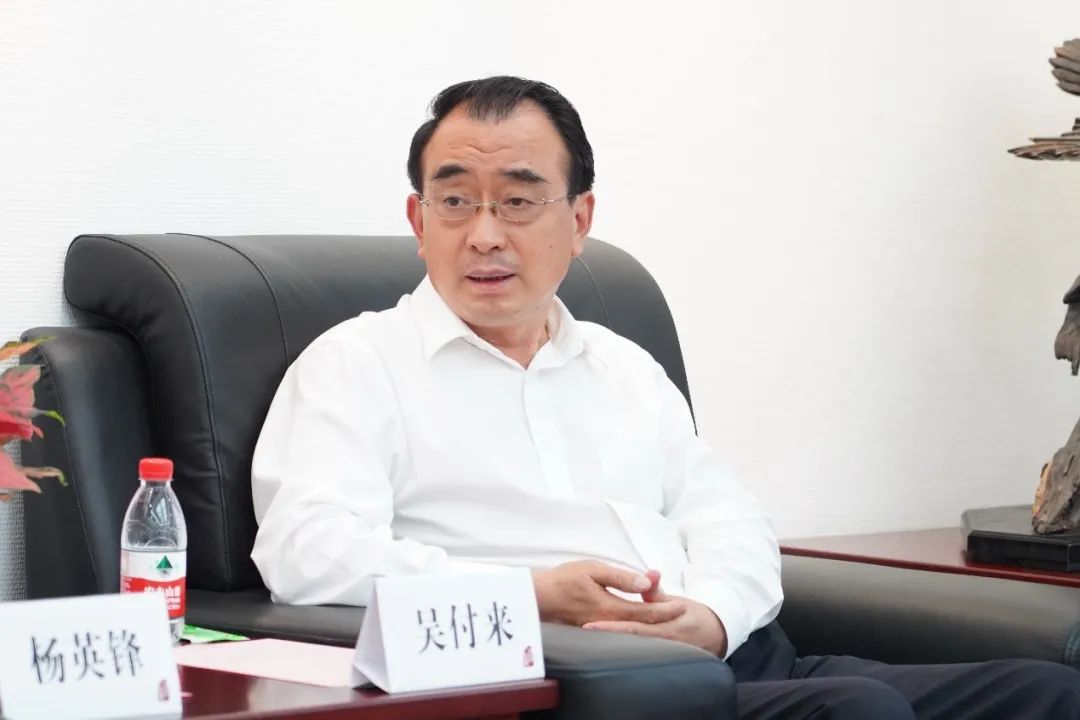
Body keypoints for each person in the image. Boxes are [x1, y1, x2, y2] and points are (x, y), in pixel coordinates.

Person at [249, 76, 1080, 719]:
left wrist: (712, 615)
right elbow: (307, 553)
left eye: (519, 201)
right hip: (583, 687)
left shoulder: (622, 366)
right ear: (418, 219)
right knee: (857, 711)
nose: (485, 233)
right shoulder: (358, 364)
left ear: (580, 220)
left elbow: (729, 523)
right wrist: (530, 592)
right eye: (456, 200)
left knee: (1047, 693)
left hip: (735, 659)